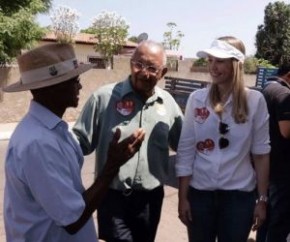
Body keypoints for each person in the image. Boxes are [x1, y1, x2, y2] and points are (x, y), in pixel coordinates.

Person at [3, 43, 145, 242]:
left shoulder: (53, 130)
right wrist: (112, 165)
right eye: (74, 80)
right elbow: (72, 219)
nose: (80, 86)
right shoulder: (38, 143)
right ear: (51, 88)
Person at [73, 40, 183, 242]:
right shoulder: (103, 98)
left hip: (151, 201)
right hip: (113, 198)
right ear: (130, 63)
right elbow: (77, 145)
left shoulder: (168, 103)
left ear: (163, 72)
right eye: (138, 64)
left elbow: (184, 146)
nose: (143, 72)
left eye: (152, 68)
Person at [175, 36, 270, 242]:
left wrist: (262, 200)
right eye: (210, 60)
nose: (213, 67)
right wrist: (183, 197)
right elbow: (186, 150)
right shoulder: (196, 99)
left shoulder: (255, 101)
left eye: (220, 61)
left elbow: (261, 154)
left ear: (236, 64)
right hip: (200, 195)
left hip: (239, 198)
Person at [260, 62, 290, 242]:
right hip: (283, 169)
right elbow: (286, 131)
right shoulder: (284, 94)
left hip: (267, 164)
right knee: (280, 220)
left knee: (267, 216)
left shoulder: (265, 90)